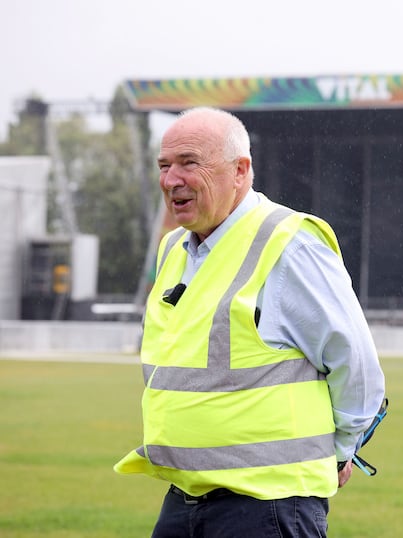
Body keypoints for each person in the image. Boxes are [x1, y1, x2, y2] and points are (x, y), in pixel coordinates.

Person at [114, 106, 386, 537]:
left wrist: (339, 452)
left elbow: (356, 361)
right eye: (164, 166)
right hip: (184, 501)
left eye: (189, 163)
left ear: (240, 171)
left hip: (268, 508)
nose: (171, 180)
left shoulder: (290, 244)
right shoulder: (173, 250)